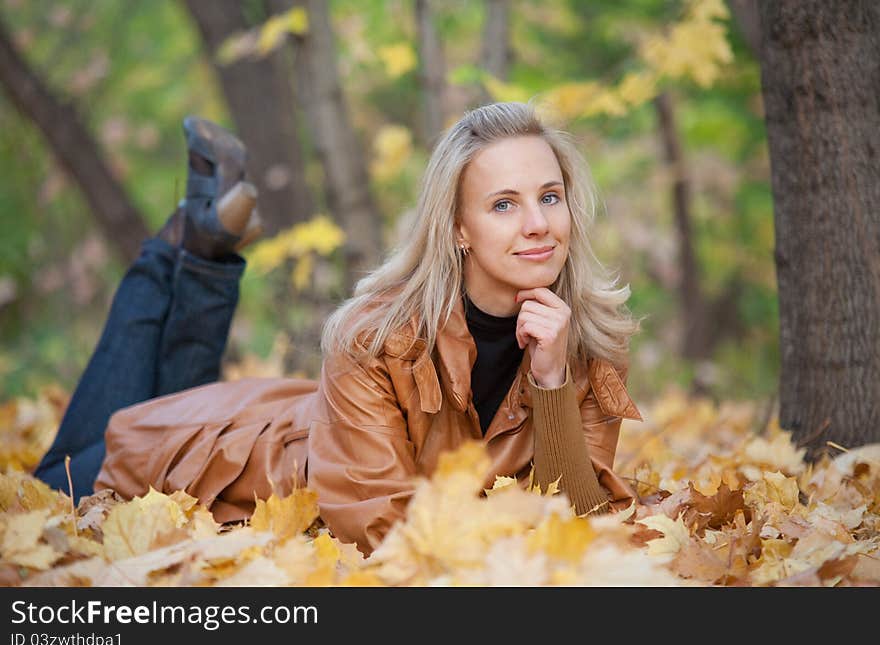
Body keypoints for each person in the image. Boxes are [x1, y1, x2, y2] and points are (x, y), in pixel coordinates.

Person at [35, 102, 642, 558]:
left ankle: (202, 244)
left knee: (153, 401)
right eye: (504, 205)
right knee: (49, 482)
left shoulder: (587, 341)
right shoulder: (377, 337)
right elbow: (386, 531)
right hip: (204, 472)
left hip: (274, 424)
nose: (538, 224)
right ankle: (185, 251)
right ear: (458, 228)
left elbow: (584, 526)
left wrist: (552, 381)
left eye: (551, 196)